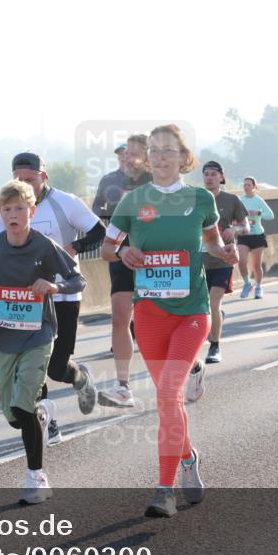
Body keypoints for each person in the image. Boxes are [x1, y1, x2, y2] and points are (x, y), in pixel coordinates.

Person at [102, 123, 238, 518]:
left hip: (193, 313)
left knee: (166, 395)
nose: (162, 157)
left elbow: (211, 242)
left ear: (184, 158)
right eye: (155, 151)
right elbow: (108, 248)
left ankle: (164, 489)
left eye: (170, 150)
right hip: (149, 315)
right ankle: (189, 457)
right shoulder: (133, 201)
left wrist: (224, 253)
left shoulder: (200, 200)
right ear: (148, 158)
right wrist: (124, 252)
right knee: (169, 400)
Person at [0, 179, 86, 504]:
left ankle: (37, 477)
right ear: (0, 213)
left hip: (39, 335)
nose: (13, 214)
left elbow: (79, 279)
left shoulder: (44, 245)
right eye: (7, 209)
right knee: (14, 415)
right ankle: (40, 414)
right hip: (4, 338)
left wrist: (55, 288)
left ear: (32, 211)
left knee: (22, 404)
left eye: (20, 208)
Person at [0, 152, 102, 444]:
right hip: (29, 301)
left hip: (64, 296)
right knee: (32, 366)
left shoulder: (64, 202)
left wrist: (75, 247)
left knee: (57, 368)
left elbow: (99, 231)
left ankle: (80, 377)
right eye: (18, 179)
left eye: (29, 180)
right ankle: (46, 420)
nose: (24, 185)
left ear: (43, 178)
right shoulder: (9, 208)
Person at [94, 135, 153, 409]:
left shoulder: (158, 182)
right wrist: (118, 247)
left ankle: (191, 366)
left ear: (147, 156)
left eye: (133, 153)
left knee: (160, 319)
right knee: (120, 317)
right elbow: (98, 217)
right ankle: (123, 386)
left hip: (156, 258)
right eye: (125, 154)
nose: (127, 158)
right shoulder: (109, 181)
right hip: (121, 253)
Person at [199, 160, 247, 364]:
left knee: (213, 301)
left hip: (224, 259)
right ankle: (216, 318)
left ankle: (215, 347)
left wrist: (234, 230)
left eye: (213, 174)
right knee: (203, 306)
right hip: (199, 261)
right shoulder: (196, 199)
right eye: (206, 174)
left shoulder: (231, 200)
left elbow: (247, 226)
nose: (209, 177)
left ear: (221, 177)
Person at [237, 176, 274, 299]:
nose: (246, 187)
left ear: (254, 186)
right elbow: (234, 215)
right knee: (241, 262)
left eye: (248, 185)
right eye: (244, 185)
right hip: (244, 235)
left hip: (257, 235)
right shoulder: (240, 200)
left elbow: (271, 215)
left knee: (256, 265)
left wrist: (257, 213)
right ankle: (247, 283)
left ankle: (258, 286)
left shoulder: (259, 200)